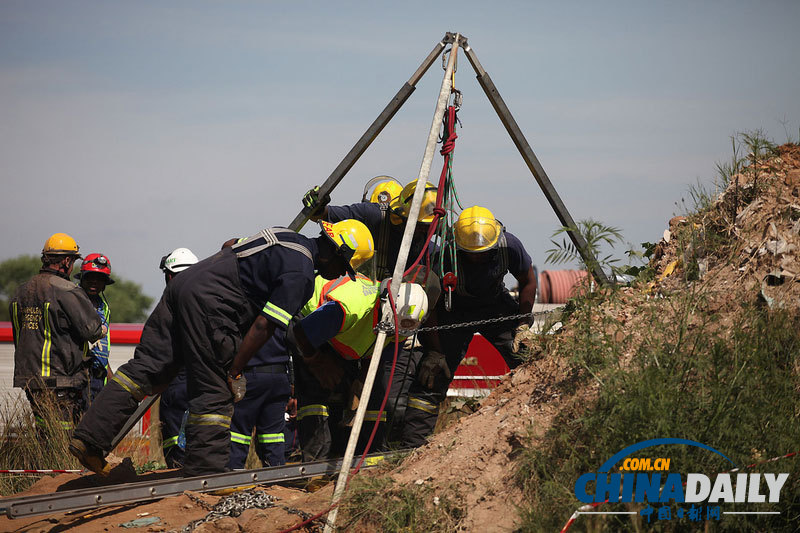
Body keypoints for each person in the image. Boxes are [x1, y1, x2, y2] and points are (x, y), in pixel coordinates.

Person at [70, 221, 374, 476]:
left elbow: (230, 244)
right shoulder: (302, 275)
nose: (340, 274)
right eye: (343, 267)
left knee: (148, 369)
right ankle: (206, 473)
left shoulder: (285, 235)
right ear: (336, 253)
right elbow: (264, 326)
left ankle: (89, 439)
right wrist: (235, 369)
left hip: (183, 287)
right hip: (212, 305)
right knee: (215, 388)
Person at [401, 206, 538, 447]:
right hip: (452, 311)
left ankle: (539, 422)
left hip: (495, 306)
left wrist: (523, 324)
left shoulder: (510, 246)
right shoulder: (443, 256)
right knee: (431, 375)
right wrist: (436, 351)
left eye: (483, 253)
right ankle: (411, 447)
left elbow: (528, 280)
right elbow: (430, 305)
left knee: (527, 358)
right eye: (470, 253)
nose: (477, 257)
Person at [290, 274, 429, 461]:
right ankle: (316, 464)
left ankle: (339, 456)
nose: (397, 334)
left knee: (343, 391)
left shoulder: (403, 322)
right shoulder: (351, 308)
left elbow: (377, 350)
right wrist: (316, 361)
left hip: (341, 337)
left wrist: (361, 381)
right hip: (308, 321)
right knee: (318, 393)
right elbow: (300, 332)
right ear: (386, 311)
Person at [9, 233, 106, 432]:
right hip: (61, 380)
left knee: (44, 431)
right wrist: (102, 329)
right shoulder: (66, 290)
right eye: (73, 262)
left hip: (29, 378)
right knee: (64, 434)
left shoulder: (21, 292)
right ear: (66, 261)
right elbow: (92, 330)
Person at [156, 247, 198, 468]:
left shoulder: (169, 305)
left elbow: (157, 347)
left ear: (170, 276)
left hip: (176, 379)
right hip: (204, 380)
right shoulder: (207, 301)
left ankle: (176, 473)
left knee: (174, 439)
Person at [75, 253, 115, 403]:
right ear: (82, 278)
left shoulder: (103, 307)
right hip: (79, 376)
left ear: (105, 283)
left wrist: (110, 377)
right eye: (90, 277)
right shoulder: (72, 300)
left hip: (99, 378)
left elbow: (100, 348)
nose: (94, 282)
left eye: (99, 278)